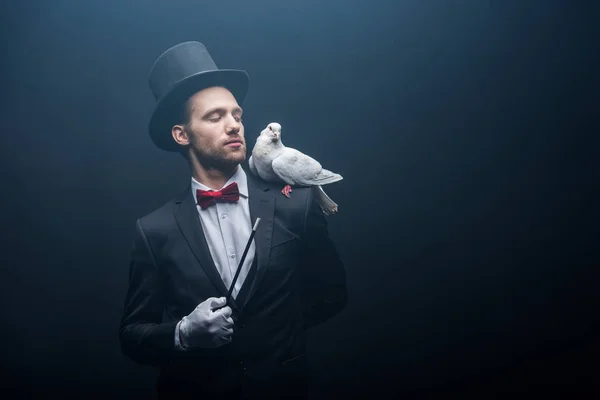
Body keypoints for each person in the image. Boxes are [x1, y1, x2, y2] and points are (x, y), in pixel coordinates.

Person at [118, 41, 347, 399]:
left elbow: (332, 294)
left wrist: (274, 333)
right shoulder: (153, 230)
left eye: (237, 115)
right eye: (215, 117)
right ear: (182, 134)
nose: (234, 126)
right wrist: (184, 333)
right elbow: (132, 335)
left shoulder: (295, 205)